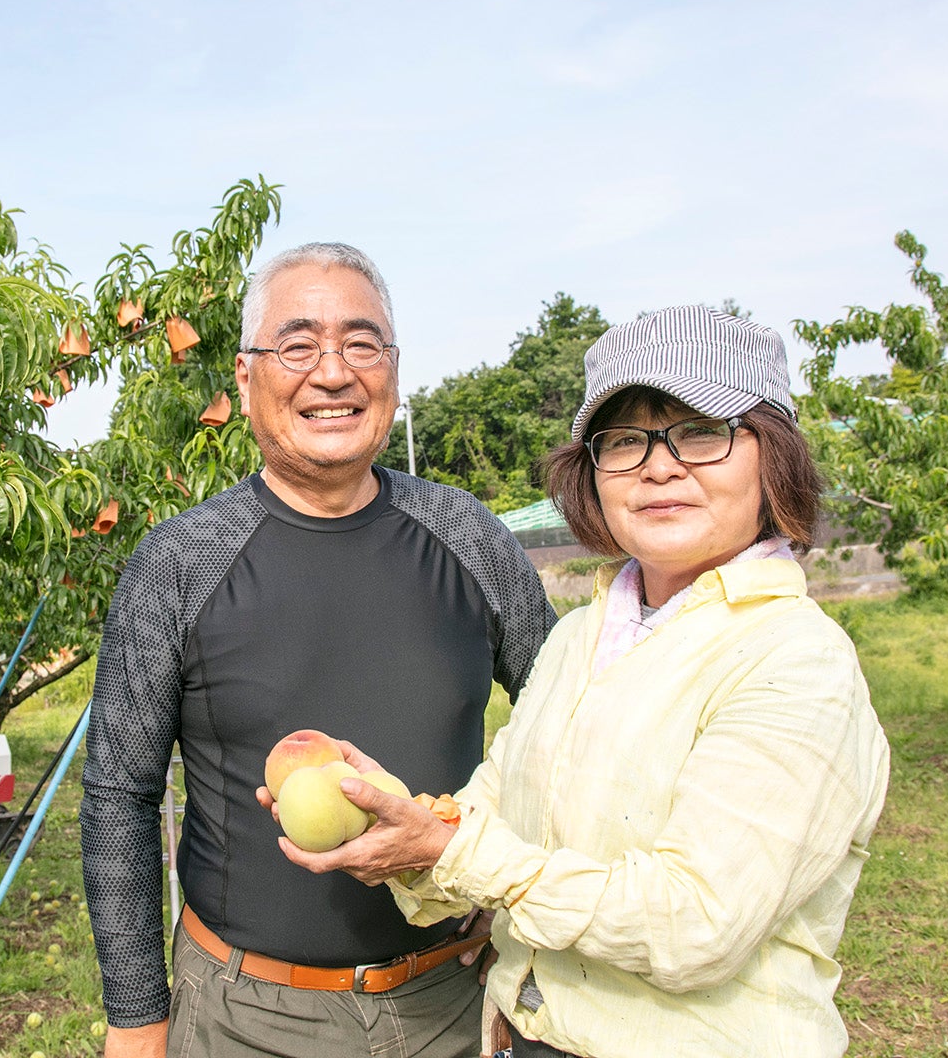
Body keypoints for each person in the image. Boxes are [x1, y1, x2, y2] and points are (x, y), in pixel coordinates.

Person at [280, 305, 892, 1058]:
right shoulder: (580, 636)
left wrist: (447, 849)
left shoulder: (794, 661)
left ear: (773, 457)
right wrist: (398, 827)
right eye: (625, 441)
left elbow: (695, 921)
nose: (660, 466)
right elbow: (491, 817)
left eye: (702, 432)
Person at [80, 242, 557, 1058]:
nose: (332, 373)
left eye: (361, 344)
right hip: (244, 1014)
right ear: (244, 375)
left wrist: (508, 886)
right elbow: (119, 794)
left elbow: (565, 724)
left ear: (394, 371)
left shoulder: (467, 537)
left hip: (452, 1000)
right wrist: (135, 1018)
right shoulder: (181, 562)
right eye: (297, 345)